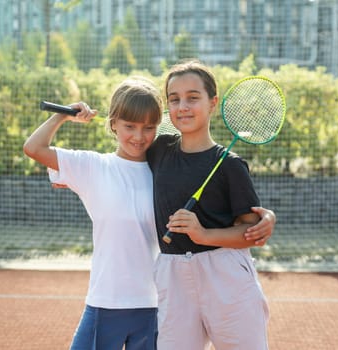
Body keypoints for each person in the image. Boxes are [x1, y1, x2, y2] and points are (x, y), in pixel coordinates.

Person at [24, 76, 275, 350]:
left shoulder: (163, 164)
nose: (139, 136)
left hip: (157, 303)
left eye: (148, 128)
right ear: (113, 124)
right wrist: (63, 116)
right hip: (105, 301)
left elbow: (220, 198)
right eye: (129, 126)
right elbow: (34, 148)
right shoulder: (94, 166)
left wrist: (266, 218)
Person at [146, 60, 271, 349]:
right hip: (172, 272)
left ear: (213, 103)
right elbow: (125, 149)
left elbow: (250, 233)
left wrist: (203, 234)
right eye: (174, 99)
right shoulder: (159, 150)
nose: (182, 107)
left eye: (193, 97)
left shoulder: (230, 165)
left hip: (224, 273)